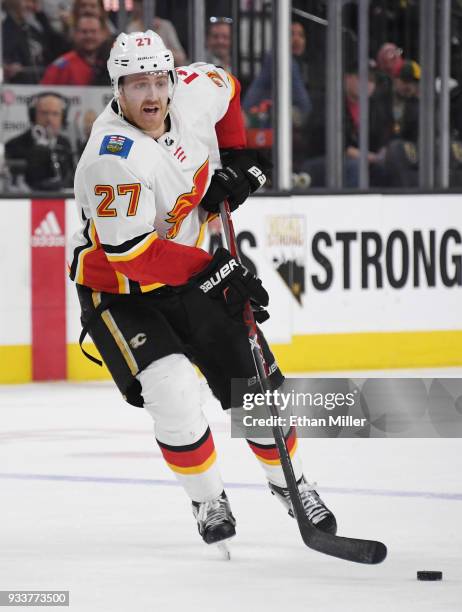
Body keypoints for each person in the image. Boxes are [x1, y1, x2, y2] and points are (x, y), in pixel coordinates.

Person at [69, 29, 336, 549]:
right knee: (170, 389)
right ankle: (207, 497)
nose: (150, 95)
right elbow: (133, 254)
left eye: (157, 81)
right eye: (134, 84)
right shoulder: (113, 155)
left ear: (172, 79)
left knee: (255, 391)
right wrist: (217, 271)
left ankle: (293, 485)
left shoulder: (192, 90)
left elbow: (229, 86)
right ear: (115, 91)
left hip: (186, 270)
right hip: (119, 289)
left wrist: (237, 161)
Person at [5, 91, 74, 190]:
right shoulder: (14, 145)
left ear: (62, 118)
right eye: (44, 113)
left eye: (55, 114)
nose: (49, 119)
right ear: (33, 116)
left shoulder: (65, 144)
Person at [2, 0, 69, 83]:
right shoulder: (5, 30)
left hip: (43, 86)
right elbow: (7, 57)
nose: (31, 6)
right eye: (27, 1)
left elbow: (59, 49)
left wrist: (41, 15)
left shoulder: (31, 30)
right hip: (19, 90)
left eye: (33, 2)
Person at [41, 14, 110, 85]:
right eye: (84, 32)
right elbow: (44, 93)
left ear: (103, 34)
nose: (89, 36)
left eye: (93, 31)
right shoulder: (61, 66)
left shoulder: (113, 65)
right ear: (75, 34)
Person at [126, 0, 187, 66]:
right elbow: (130, 60)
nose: (138, 8)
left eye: (141, 4)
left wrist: (160, 46)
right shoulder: (132, 28)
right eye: (136, 4)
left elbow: (181, 59)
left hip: (164, 70)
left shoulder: (165, 26)